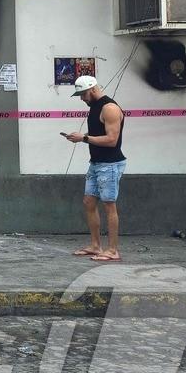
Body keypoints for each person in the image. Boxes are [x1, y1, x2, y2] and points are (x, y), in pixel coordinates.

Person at [63, 75, 127, 262]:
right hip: (96, 163)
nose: (82, 99)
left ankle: (113, 250)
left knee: (109, 205)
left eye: (83, 94)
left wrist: (84, 138)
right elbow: (98, 134)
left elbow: (112, 140)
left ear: (92, 89)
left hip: (110, 164)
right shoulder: (94, 108)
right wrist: (82, 137)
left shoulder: (110, 108)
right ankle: (95, 245)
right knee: (89, 202)